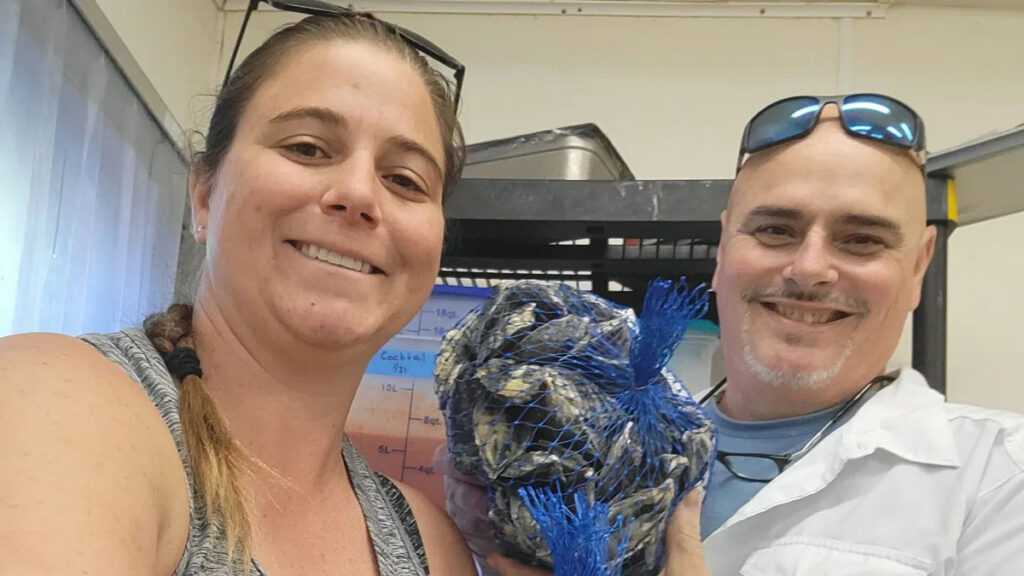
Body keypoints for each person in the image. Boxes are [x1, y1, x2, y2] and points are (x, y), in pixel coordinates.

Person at [441, 94, 1024, 575]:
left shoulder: (1000, 474)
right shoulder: (601, 443)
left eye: (861, 240)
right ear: (723, 250)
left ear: (919, 266)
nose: (810, 269)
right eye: (775, 230)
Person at [0, 13, 477, 576]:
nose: (358, 193)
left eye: (404, 180)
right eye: (307, 148)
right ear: (204, 195)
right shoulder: (53, 403)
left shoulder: (433, 547)